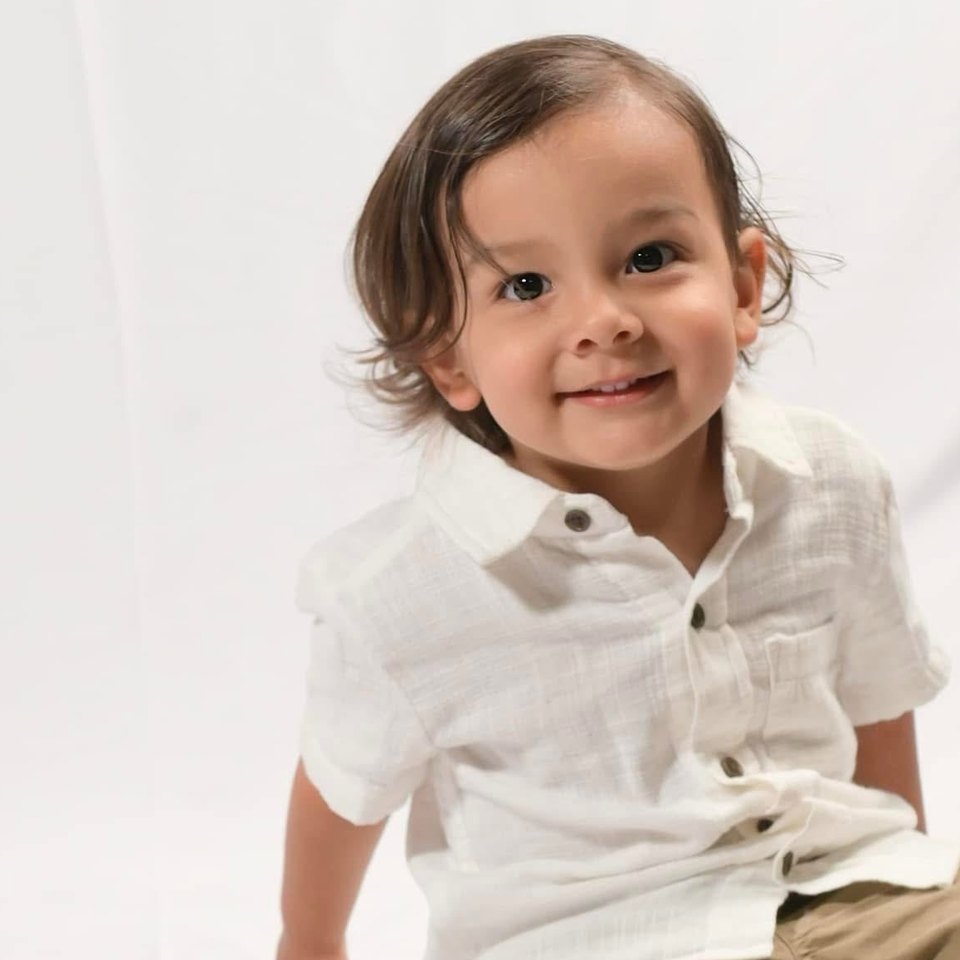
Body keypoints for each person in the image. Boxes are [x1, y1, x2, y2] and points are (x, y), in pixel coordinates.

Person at [275, 34, 960, 960]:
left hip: (846, 898)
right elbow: (340, 793)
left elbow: (879, 706)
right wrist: (308, 946)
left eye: (648, 256)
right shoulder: (400, 592)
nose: (603, 321)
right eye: (526, 285)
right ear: (449, 358)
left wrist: (916, 901)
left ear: (743, 285)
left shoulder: (831, 484)